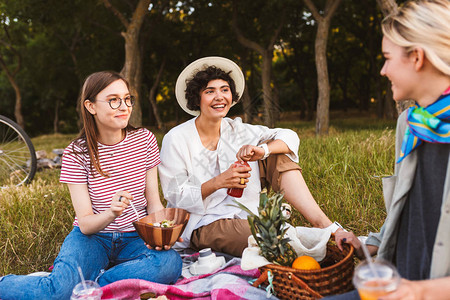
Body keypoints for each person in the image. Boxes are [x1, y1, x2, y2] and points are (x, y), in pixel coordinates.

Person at [0, 71, 182, 299]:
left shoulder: (145, 139)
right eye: (113, 100)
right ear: (91, 106)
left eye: (127, 99)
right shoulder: (76, 153)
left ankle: (93, 287)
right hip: (92, 238)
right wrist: (111, 212)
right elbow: (85, 224)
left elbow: (154, 201)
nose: (124, 106)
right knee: (56, 294)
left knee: (170, 264)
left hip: (136, 236)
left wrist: (161, 232)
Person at [158, 56, 343, 258]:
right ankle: (305, 245)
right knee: (269, 240)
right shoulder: (176, 138)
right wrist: (218, 182)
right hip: (203, 222)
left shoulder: (238, 130)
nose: (219, 97)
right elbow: (174, 195)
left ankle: (326, 227)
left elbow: (289, 137)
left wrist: (263, 151)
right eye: (210, 91)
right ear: (197, 98)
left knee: (277, 154)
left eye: (225, 90)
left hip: (245, 213)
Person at [327, 1, 450, 299]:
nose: (382, 71)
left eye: (387, 58)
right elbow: (412, 210)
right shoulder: (411, 125)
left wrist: (419, 292)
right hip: (397, 285)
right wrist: (370, 244)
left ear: (417, 58)